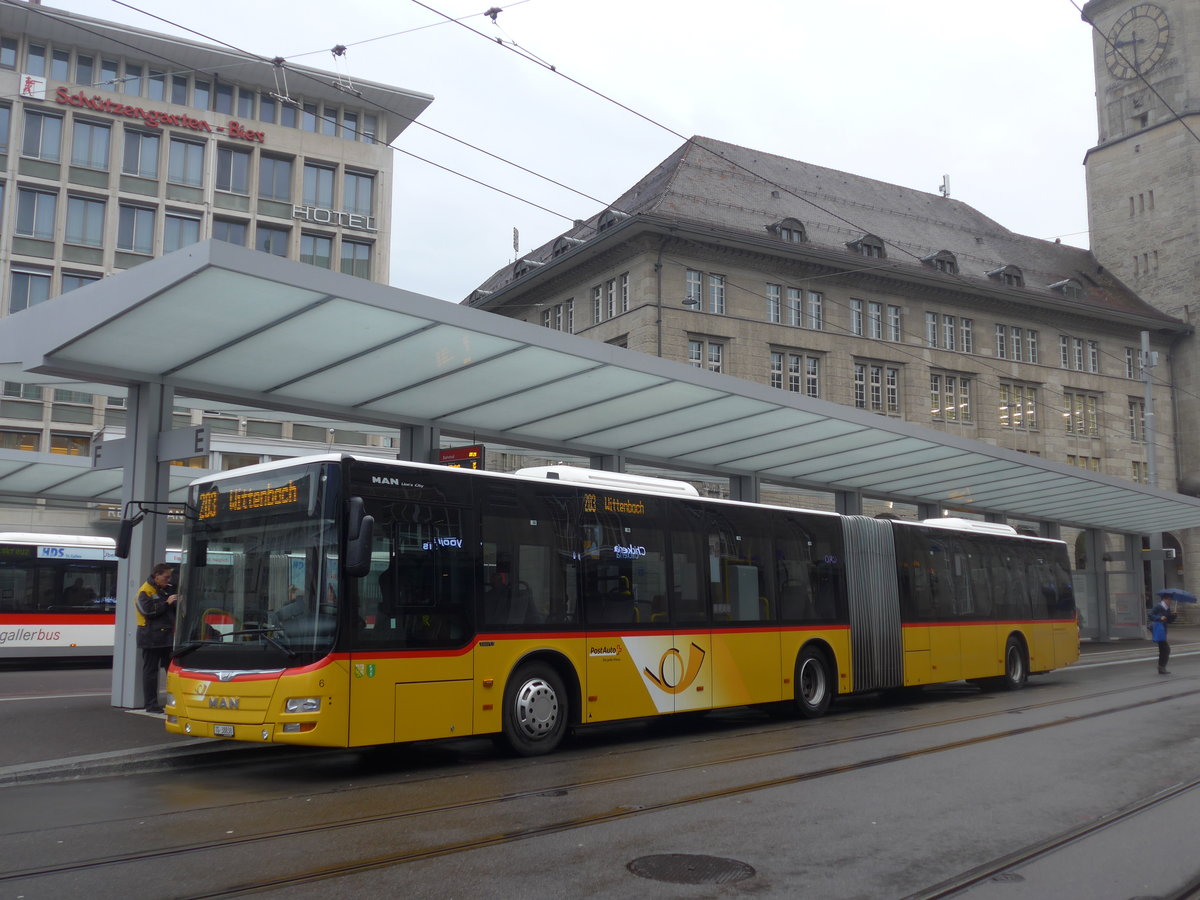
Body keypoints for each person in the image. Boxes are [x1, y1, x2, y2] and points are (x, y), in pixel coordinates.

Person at [134, 563, 177, 714]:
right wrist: (167, 603)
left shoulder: (163, 590)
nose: (168, 579)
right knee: (151, 672)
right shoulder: (144, 591)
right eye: (166, 577)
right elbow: (148, 611)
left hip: (165, 636)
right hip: (151, 637)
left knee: (171, 670)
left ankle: (173, 701)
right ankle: (151, 704)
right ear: (156, 575)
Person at [1149, 593, 1177, 675]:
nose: (1170, 601)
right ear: (1164, 599)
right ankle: (1161, 667)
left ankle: (1161, 667)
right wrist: (1159, 618)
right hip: (1158, 629)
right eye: (1169, 599)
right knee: (1166, 649)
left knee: (1163, 649)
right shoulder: (1158, 606)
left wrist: (1174, 616)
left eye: (1170, 600)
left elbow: (1169, 620)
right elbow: (1150, 615)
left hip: (1163, 630)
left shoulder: (1166, 608)